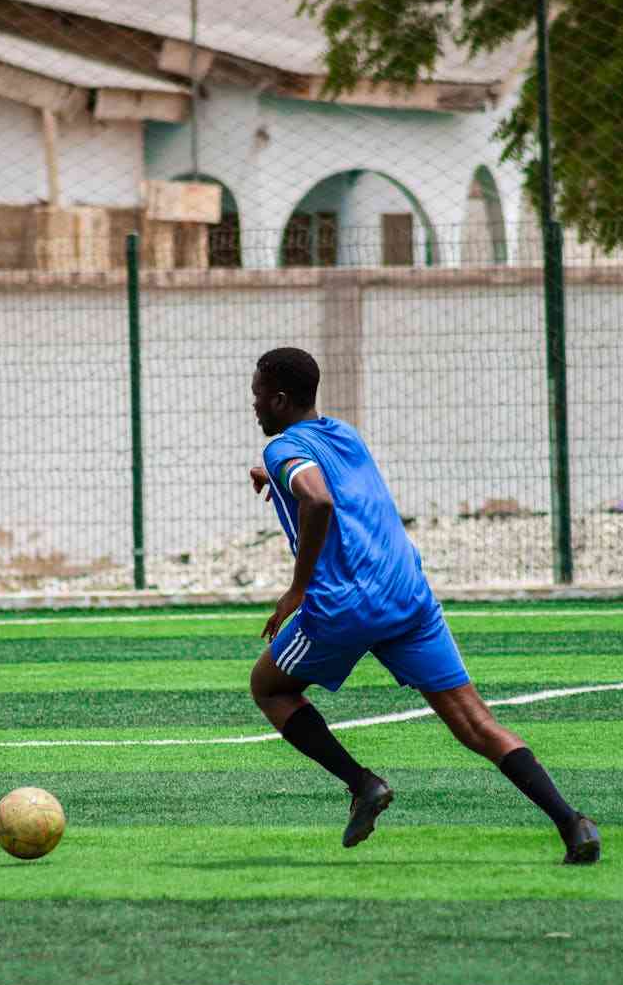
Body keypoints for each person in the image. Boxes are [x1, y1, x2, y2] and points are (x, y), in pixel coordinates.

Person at [248, 346, 600, 862]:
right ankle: (572, 823)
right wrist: (273, 478)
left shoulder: (283, 448)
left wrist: (297, 590)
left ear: (279, 400)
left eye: (258, 395)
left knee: (270, 688)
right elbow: (326, 485)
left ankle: (362, 784)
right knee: (476, 724)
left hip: (348, 603)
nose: (254, 404)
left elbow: (318, 497)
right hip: (407, 593)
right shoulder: (344, 434)